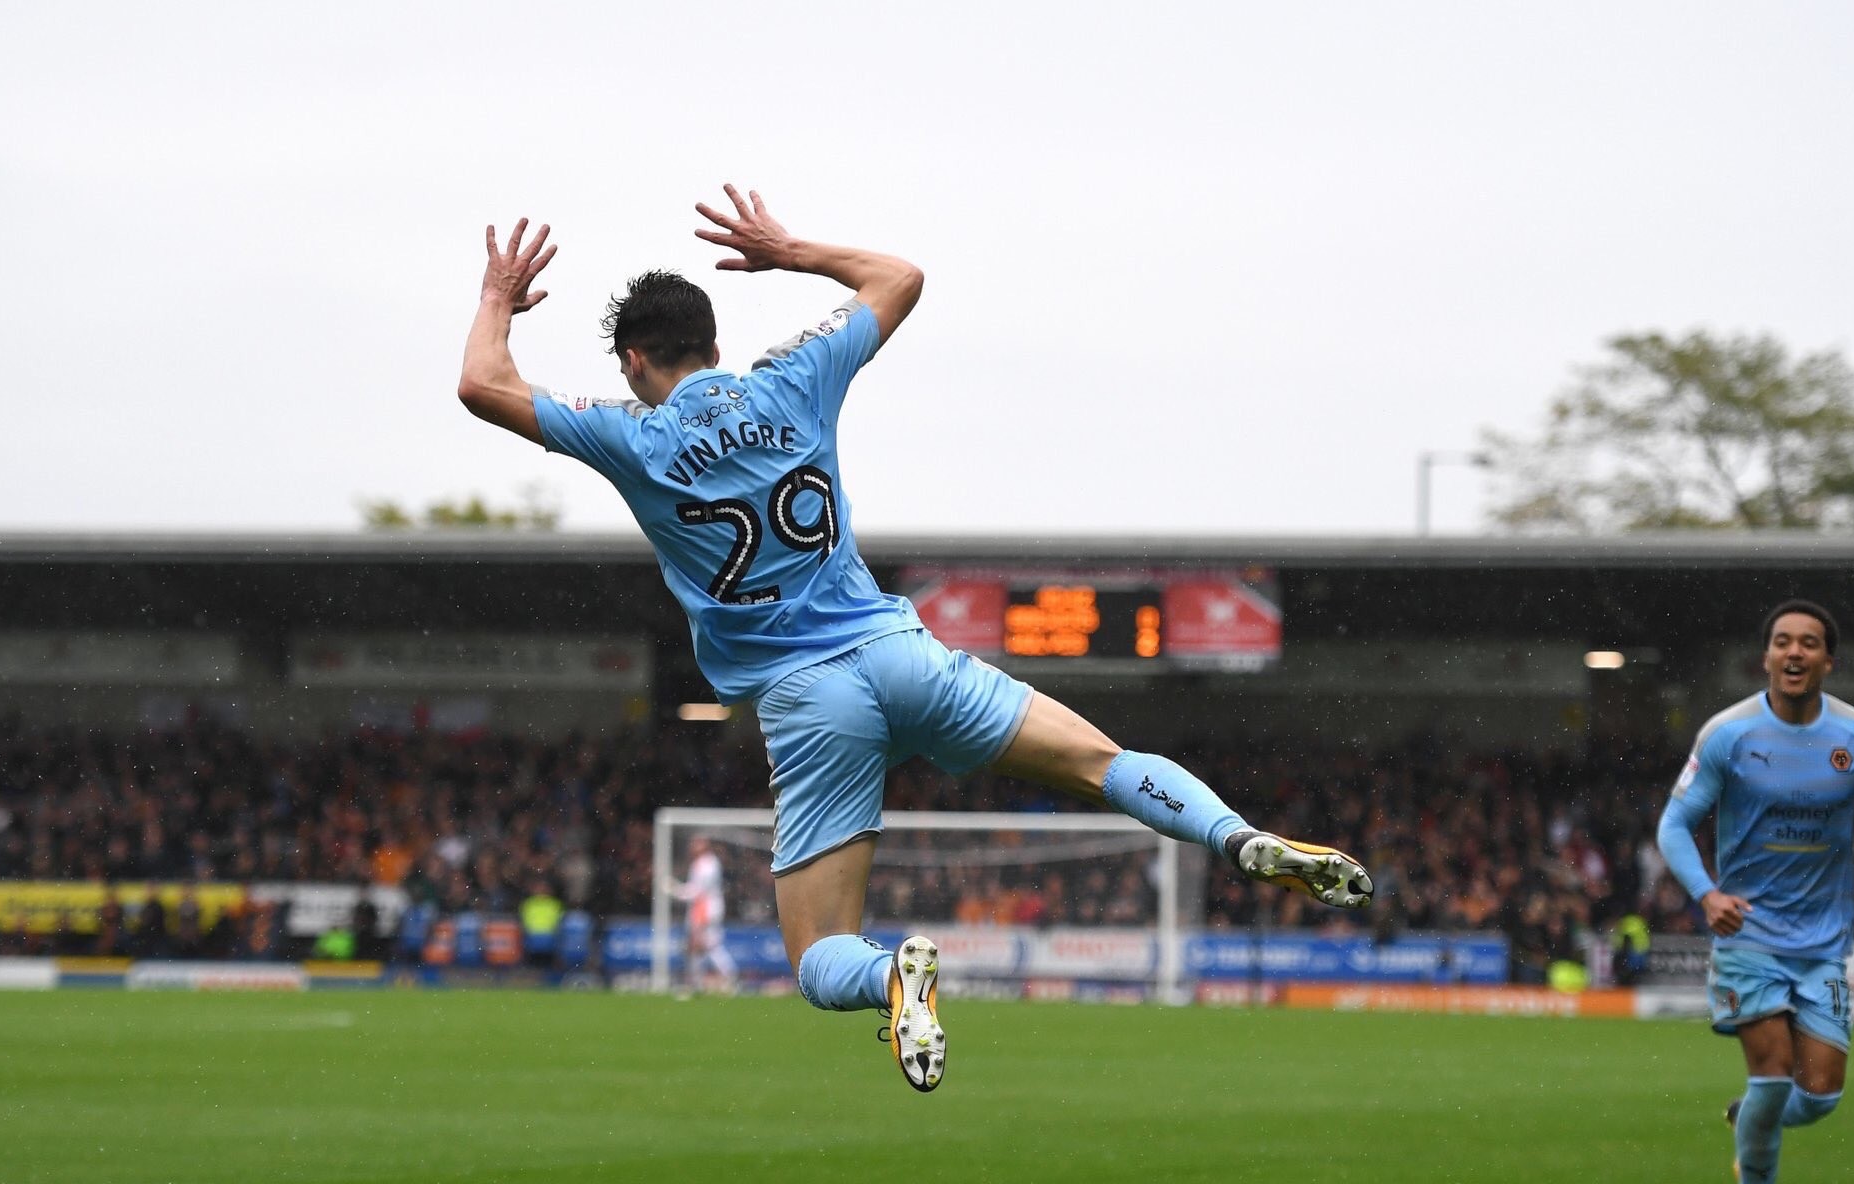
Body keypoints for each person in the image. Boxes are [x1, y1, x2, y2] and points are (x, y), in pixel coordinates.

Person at [458, 188, 1371, 1093]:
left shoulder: (634, 435)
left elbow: (482, 385)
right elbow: (901, 276)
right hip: (901, 652)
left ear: (633, 360)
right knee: (1103, 760)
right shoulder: (791, 377)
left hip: (808, 699)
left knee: (819, 954)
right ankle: (1235, 833)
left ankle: (895, 974)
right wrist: (786, 250)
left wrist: (500, 296)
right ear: (716, 346)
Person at [1656, 600, 1854, 1184]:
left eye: (1809, 643)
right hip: (1749, 939)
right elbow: (1673, 825)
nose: (1795, 652)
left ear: (1829, 659)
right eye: (1782, 641)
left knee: (1820, 1094)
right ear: (1765, 655)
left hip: (1823, 943)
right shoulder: (1728, 734)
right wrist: (1708, 894)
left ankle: (1748, 1123)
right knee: (1772, 1076)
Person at [671, 835, 739, 994]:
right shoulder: (706, 863)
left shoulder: (706, 865)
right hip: (705, 909)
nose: (692, 846)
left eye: (696, 843)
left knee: (706, 946)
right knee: (702, 948)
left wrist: (675, 890)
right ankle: (697, 982)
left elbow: (697, 892)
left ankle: (728, 976)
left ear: (704, 846)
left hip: (706, 910)